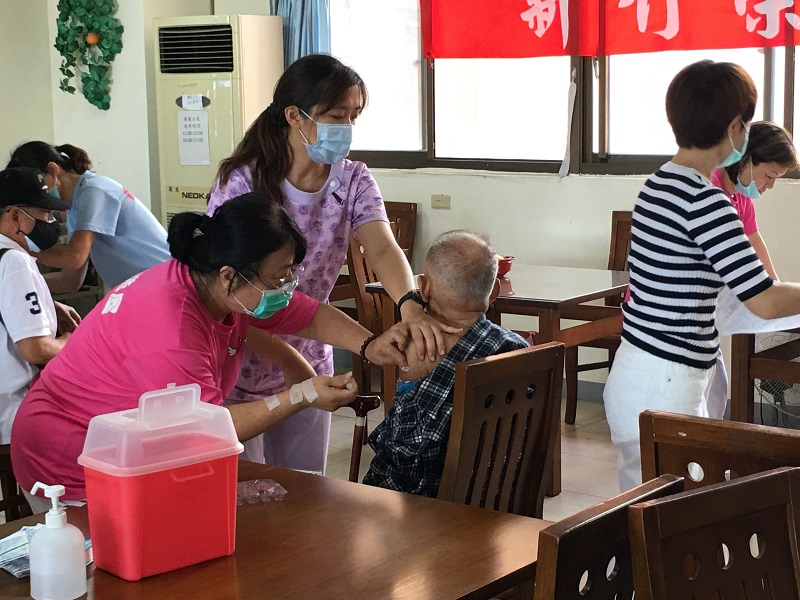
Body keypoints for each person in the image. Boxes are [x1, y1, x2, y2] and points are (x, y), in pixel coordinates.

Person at [11, 193, 410, 508]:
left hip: (124, 446)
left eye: (290, 272)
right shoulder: (172, 328)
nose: (287, 286)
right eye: (279, 276)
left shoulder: (217, 286)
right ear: (229, 275)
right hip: (67, 459)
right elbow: (210, 426)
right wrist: (302, 395)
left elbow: (306, 315)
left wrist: (370, 344)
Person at [207, 53, 455, 473]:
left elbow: (381, 247)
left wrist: (409, 304)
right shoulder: (245, 182)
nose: (347, 128)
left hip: (311, 351)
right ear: (295, 116)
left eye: (354, 117)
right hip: (242, 359)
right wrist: (288, 359)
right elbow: (224, 289)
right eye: (337, 116)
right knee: (244, 500)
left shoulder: (352, 179)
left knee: (307, 492)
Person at [604, 60, 800, 493]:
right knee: (671, 520)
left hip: (638, 369)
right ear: (734, 127)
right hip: (666, 383)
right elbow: (764, 299)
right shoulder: (706, 202)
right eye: (746, 123)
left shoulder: (658, 183)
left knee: (639, 508)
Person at [362, 231, 529, 497]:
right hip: (499, 496)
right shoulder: (518, 349)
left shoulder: (416, 349)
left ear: (423, 288)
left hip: (430, 508)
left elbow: (402, 454)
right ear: (494, 290)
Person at [707, 122, 798, 419]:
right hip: (676, 321)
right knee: (698, 400)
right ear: (746, 158)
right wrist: (770, 295)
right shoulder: (710, 189)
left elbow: (754, 239)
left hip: (702, 320)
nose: (770, 185)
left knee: (714, 391)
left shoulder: (739, 196)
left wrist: (776, 284)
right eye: (770, 175)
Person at [6, 142, 170, 291]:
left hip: (168, 282)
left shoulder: (95, 191)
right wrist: (16, 282)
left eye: (35, 187)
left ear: (52, 170)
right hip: (146, 290)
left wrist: (19, 248)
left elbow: (75, 257)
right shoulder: (75, 210)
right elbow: (69, 281)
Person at [0, 167, 77, 445]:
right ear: (16, 215)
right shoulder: (14, 261)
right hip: (14, 413)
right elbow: (35, 348)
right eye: (44, 213)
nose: (51, 221)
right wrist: (72, 342)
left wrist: (48, 303)